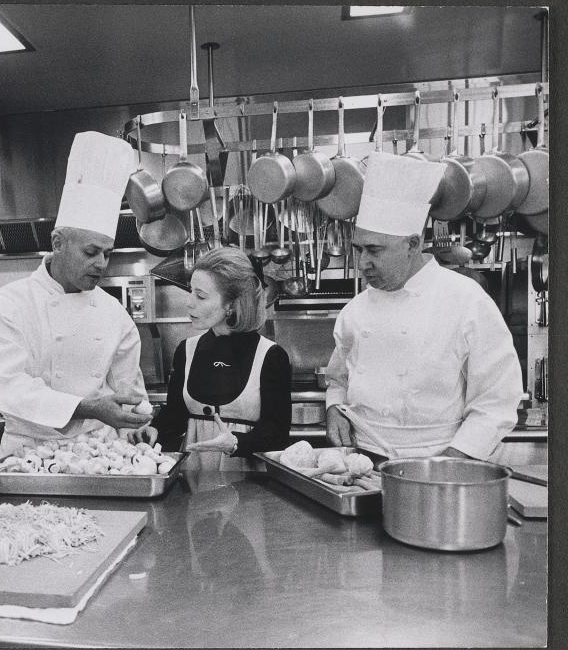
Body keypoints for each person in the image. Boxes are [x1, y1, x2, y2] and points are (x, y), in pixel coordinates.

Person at [324, 151, 523, 460]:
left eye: (374, 250)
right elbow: (338, 378)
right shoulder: (355, 310)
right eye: (358, 249)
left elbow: (497, 399)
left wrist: (454, 460)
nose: (363, 263)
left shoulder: (465, 300)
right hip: (362, 462)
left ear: (413, 244)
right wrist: (334, 407)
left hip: (438, 460)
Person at [0, 131, 153, 457]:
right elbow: (7, 387)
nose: (101, 264)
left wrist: (139, 423)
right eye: (91, 252)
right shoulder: (8, 304)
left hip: (101, 457)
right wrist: (89, 408)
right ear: (58, 243)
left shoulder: (113, 312)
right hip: (29, 456)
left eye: (107, 253)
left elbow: (128, 390)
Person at [132, 247, 292, 470]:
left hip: (251, 483)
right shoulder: (186, 350)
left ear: (231, 305)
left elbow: (277, 434)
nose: (189, 302)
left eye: (201, 296)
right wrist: (156, 428)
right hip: (195, 479)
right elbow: (176, 415)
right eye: (191, 291)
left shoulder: (271, 357)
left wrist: (236, 442)